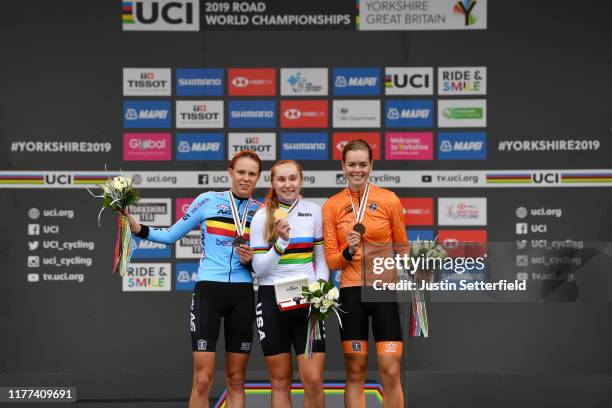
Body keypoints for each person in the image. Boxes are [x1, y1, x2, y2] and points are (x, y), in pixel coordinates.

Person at [123, 150, 263, 408]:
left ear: (258, 178)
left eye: (251, 174)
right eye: (241, 172)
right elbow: (170, 235)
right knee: (202, 379)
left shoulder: (262, 212)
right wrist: (138, 229)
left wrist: (252, 260)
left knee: (236, 379)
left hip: (243, 294)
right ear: (230, 172)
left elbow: (266, 265)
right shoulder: (208, 200)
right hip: (208, 292)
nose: (245, 178)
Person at [322, 140, 407, 408]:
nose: (357, 170)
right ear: (343, 166)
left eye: (363, 164)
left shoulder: (389, 199)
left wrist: (418, 273)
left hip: (382, 292)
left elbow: (402, 246)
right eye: (352, 164)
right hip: (350, 293)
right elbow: (333, 261)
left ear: (371, 165)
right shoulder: (332, 206)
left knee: (391, 372)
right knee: (355, 373)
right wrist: (349, 251)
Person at [249, 160, 329, 408]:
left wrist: (321, 289)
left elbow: (322, 258)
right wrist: (281, 243)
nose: (287, 184)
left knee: (313, 380)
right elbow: (259, 269)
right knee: (280, 381)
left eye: (293, 178)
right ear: (272, 183)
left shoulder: (314, 211)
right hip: (271, 299)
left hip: (308, 299)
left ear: (301, 180)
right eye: (281, 179)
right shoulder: (262, 216)